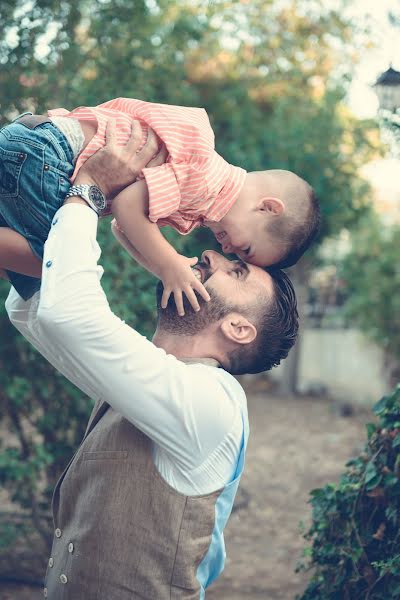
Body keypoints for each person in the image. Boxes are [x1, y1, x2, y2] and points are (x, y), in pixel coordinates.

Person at [5, 125, 299, 599]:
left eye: (236, 270)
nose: (211, 254)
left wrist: (89, 191)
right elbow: (40, 313)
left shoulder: (210, 402)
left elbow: (69, 316)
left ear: (239, 329)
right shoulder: (160, 385)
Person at [0, 97, 320, 314]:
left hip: (35, 148)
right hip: (50, 154)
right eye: (246, 249)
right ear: (267, 207)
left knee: (30, 271)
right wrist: (169, 264)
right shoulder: (206, 178)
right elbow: (126, 205)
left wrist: (165, 269)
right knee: (57, 264)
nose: (231, 249)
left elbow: (123, 226)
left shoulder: (198, 203)